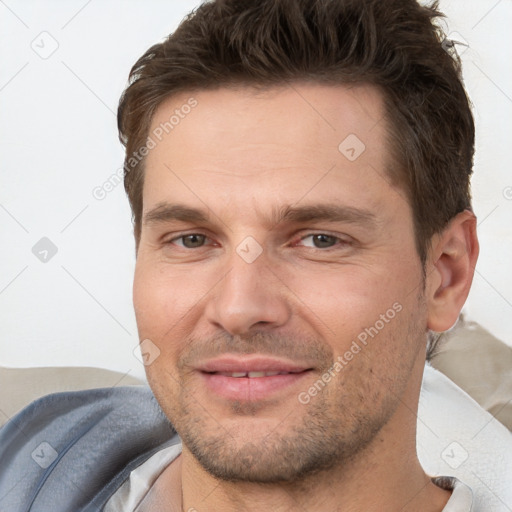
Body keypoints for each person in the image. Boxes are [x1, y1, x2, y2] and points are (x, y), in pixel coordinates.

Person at [0, 0, 510, 510]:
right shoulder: (30, 462)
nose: (239, 309)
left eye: (319, 240)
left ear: (446, 274)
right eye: (192, 240)